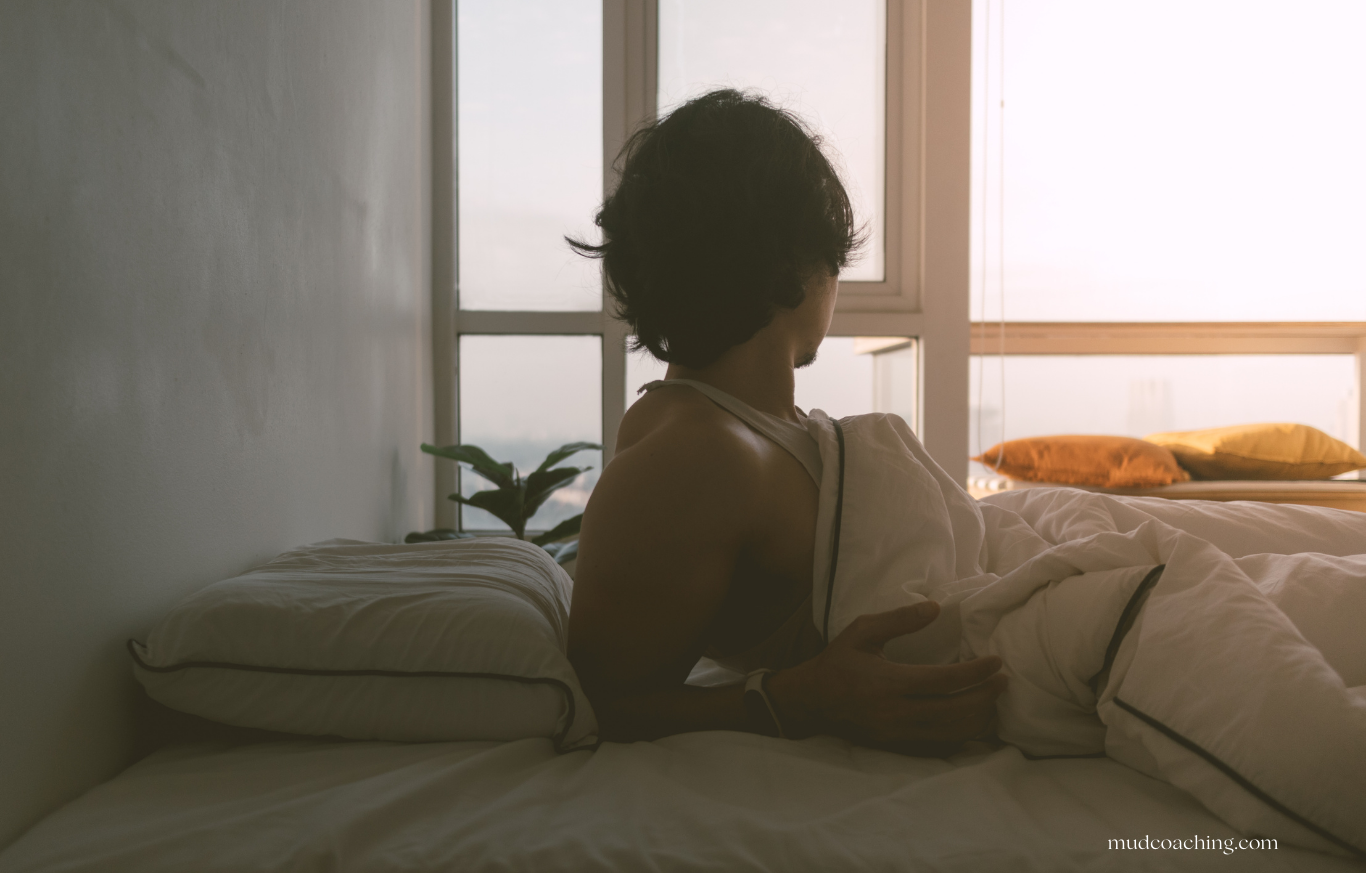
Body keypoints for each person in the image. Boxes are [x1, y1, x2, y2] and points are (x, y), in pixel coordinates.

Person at [566, 89, 1006, 753]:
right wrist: (799, 700)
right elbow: (605, 702)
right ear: (794, 268)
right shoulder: (697, 454)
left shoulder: (758, 431)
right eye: (833, 259)